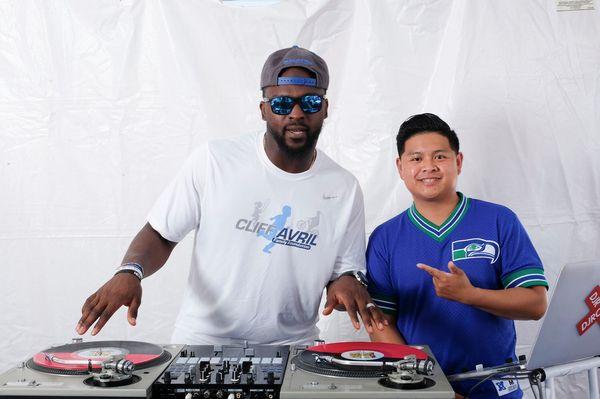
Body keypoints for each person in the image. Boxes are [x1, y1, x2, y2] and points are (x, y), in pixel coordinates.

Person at [76, 46, 385, 345]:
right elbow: (161, 232)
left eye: (310, 103)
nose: (295, 113)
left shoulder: (343, 187)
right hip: (203, 343)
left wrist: (348, 283)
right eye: (281, 104)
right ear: (263, 109)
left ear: (326, 109)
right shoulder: (215, 161)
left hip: (293, 348)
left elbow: (346, 271)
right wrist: (130, 272)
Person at [366, 113, 548, 398]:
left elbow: (535, 304)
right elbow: (380, 325)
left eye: (439, 156)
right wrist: (433, 390)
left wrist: (470, 294)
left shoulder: (499, 220)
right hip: (422, 391)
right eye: (416, 159)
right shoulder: (384, 239)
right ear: (400, 167)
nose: (428, 167)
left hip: (496, 388)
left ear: (458, 162)